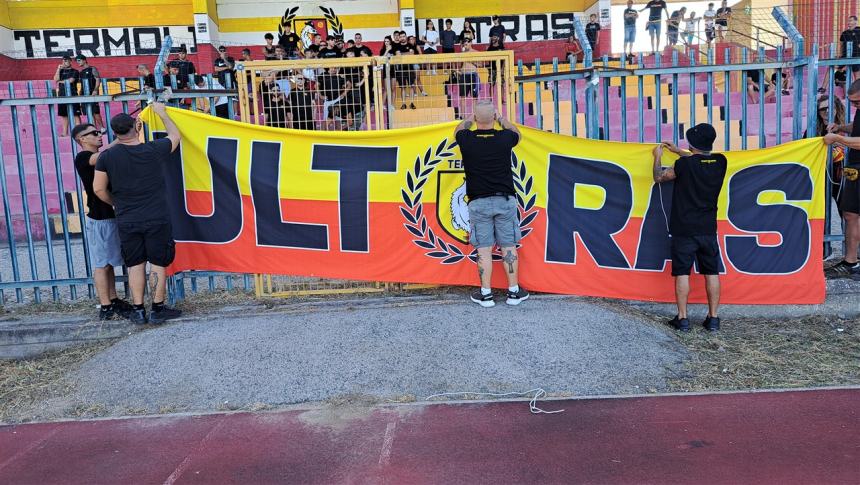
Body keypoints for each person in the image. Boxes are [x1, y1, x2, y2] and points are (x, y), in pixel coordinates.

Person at [92, 106, 183, 324]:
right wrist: (162, 113)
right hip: (157, 216)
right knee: (158, 263)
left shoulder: (107, 157)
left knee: (136, 264)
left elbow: (98, 189)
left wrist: (117, 203)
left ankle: (139, 309)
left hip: (128, 217)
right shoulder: (153, 149)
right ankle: (158, 309)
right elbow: (175, 136)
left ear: (114, 133)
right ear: (137, 127)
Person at [652, 123, 726, 332]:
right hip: (708, 228)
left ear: (692, 144)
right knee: (711, 271)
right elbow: (700, 158)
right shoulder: (721, 161)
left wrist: (657, 156)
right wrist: (678, 151)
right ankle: (713, 319)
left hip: (684, 228)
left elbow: (659, 176)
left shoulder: (683, 165)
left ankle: (683, 319)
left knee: (682, 272)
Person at [454, 100, 528, 307]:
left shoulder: (466, 139)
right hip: (504, 200)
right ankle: (513, 292)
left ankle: (486, 294)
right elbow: (517, 134)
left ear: (476, 118)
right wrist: (501, 118)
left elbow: (458, 130)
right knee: (509, 247)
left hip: (478, 203)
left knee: (484, 250)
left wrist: (471, 118)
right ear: (494, 117)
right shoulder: (505, 138)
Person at [71, 123, 134, 320]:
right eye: (94, 133)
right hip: (100, 218)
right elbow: (104, 155)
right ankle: (106, 306)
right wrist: (124, 137)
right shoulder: (83, 158)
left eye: (99, 132)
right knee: (102, 264)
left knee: (109, 262)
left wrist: (122, 137)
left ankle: (113, 299)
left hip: (108, 216)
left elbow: (106, 153)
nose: (99, 136)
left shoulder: (100, 155)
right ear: (82, 139)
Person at [823, 79, 860, 278]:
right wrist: (841, 128)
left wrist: (838, 138)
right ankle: (850, 262)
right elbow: (857, 127)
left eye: (857, 102)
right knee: (850, 215)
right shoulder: (859, 110)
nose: (854, 106)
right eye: (852, 102)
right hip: (854, 169)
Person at [809, 96, 846, 212]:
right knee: (820, 214)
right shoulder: (812, 130)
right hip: (821, 176)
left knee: (847, 214)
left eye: (830, 108)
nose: (827, 112)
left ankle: (846, 231)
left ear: (837, 108)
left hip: (843, 175)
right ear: (818, 112)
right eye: (823, 109)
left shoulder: (846, 128)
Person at [75, 54, 105, 130]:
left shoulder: (92, 69)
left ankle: (102, 128)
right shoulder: (81, 72)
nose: (77, 62)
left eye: (79, 60)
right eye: (76, 61)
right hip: (84, 94)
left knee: (95, 111)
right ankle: (94, 128)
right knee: (89, 112)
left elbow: (98, 80)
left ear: (84, 60)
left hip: (92, 92)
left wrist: (95, 90)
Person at [54, 55, 81, 137]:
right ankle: (65, 133)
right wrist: (58, 68)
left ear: (70, 61)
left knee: (76, 114)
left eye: (66, 61)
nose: (64, 62)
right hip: (62, 95)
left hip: (72, 94)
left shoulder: (75, 71)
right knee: (64, 115)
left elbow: (71, 81)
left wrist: (60, 81)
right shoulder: (61, 71)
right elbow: (55, 79)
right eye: (63, 61)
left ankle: (78, 133)